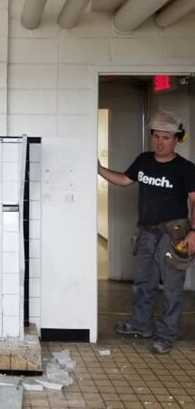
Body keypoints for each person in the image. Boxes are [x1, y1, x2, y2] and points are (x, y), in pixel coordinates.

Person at [98, 110, 195, 354]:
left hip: (174, 235)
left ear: (176, 140)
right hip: (147, 233)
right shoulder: (144, 160)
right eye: (156, 137)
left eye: (166, 138)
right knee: (143, 282)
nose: (160, 142)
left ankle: (166, 334)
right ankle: (141, 325)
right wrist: (98, 169)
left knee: (171, 287)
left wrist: (193, 232)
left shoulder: (185, 169)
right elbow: (124, 179)